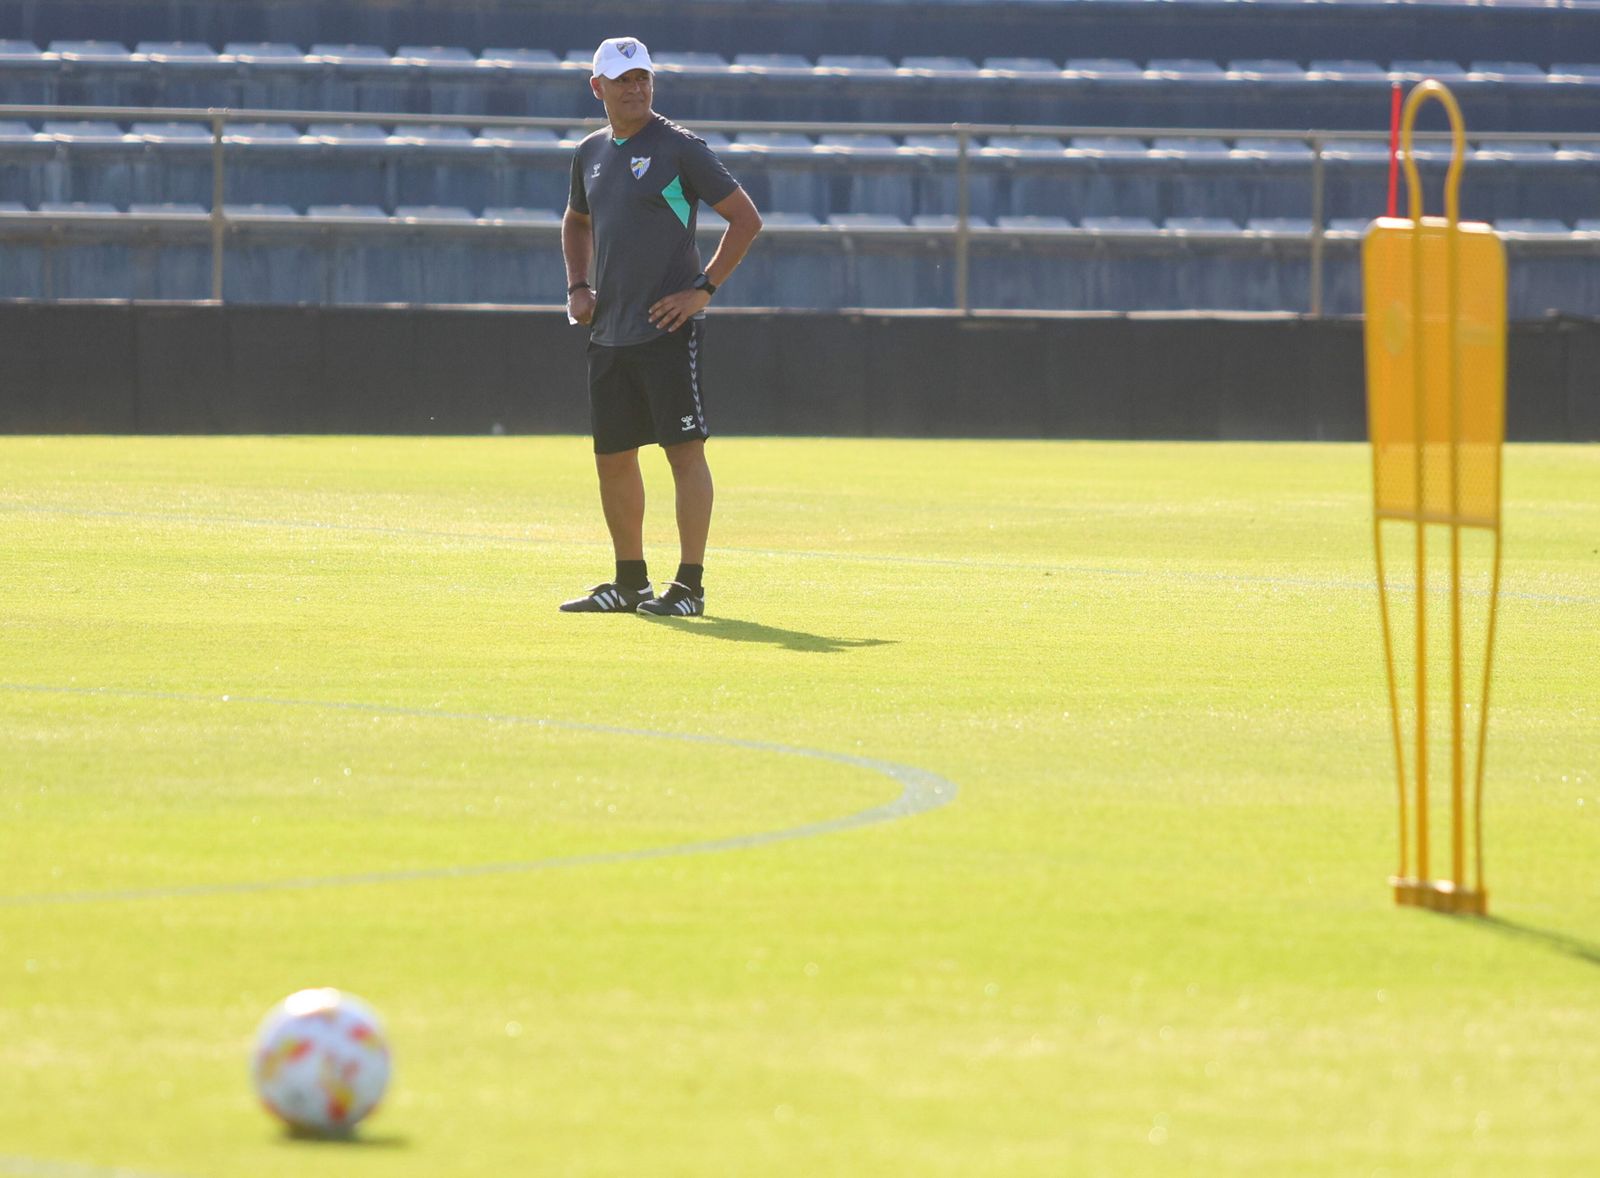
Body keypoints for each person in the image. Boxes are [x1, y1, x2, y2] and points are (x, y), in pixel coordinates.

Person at [559, 36, 763, 618]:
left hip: (664, 330)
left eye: (643, 76)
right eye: (623, 79)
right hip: (608, 333)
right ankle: (629, 583)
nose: (636, 87)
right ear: (597, 87)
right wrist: (578, 287)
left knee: (683, 452)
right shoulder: (590, 152)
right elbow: (576, 221)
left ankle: (690, 588)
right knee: (614, 458)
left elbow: (745, 220)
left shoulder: (679, 148)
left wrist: (702, 291)